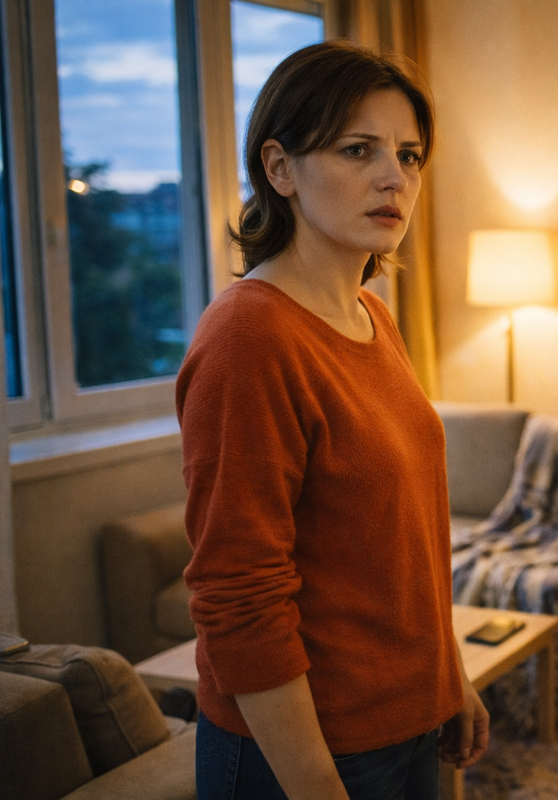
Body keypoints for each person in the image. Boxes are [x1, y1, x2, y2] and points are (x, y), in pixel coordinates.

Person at [176, 41, 488, 800]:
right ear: (279, 168)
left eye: (409, 156)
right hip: (309, 750)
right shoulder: (249, 337)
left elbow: (404, 542)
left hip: (405, 720)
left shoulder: (373, 317)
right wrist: (316, 782)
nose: (395, 178)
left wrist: (448, 676)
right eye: (358, 150)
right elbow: (238, 594)